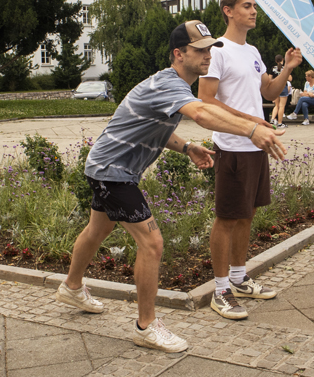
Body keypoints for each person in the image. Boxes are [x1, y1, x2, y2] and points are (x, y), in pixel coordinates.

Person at [56, 20, 287, 350]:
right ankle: (146, 326)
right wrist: (251, 130)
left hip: (106, 167)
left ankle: (71, 287)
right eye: (200, 50)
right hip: (112, 172)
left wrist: (187, 147)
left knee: (97, 230)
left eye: (210, 49)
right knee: (152, 244)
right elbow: (203, 114)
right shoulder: (170, 84)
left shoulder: (173, 85)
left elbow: (155, 127)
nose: (208, 55)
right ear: (179, 54)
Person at [200, 0, 301, 321]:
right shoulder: (217, 51)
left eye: (254, 6)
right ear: (228, 11)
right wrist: (251, 122)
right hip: (232, 145)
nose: (254, 11)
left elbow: (269, 91)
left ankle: (239, 278)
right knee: (227, 218)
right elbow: (207, 100)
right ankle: (220, 291)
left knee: (247, 214)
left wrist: (288, 68)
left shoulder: (253, 51)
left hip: (256, 145)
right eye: (247, 6)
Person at [269, 54, 289, 128]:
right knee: (281, 106)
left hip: (275, 88)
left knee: (276, 105)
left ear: (275, 61)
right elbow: (290, 78)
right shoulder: (285, 68)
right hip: (283, 87)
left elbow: (269, 79)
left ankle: (272, 119)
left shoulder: (273, 68)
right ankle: (280, 123)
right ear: (282, 59)